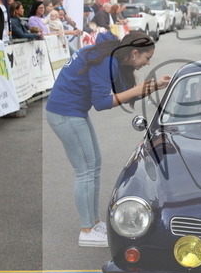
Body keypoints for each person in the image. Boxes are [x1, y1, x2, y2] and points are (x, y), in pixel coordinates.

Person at [45, 31, 171, 247]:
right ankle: (87, 230)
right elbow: (102, 103)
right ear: (134, 53)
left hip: (72, 112)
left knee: (94, 165)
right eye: (147, 58)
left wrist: (153, 86)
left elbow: (124, 92)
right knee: (85, 170)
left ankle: (94, 223)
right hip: (65, 113)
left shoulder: (111, 55)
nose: (147, 63)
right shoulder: (106, 60)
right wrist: (140, 88)